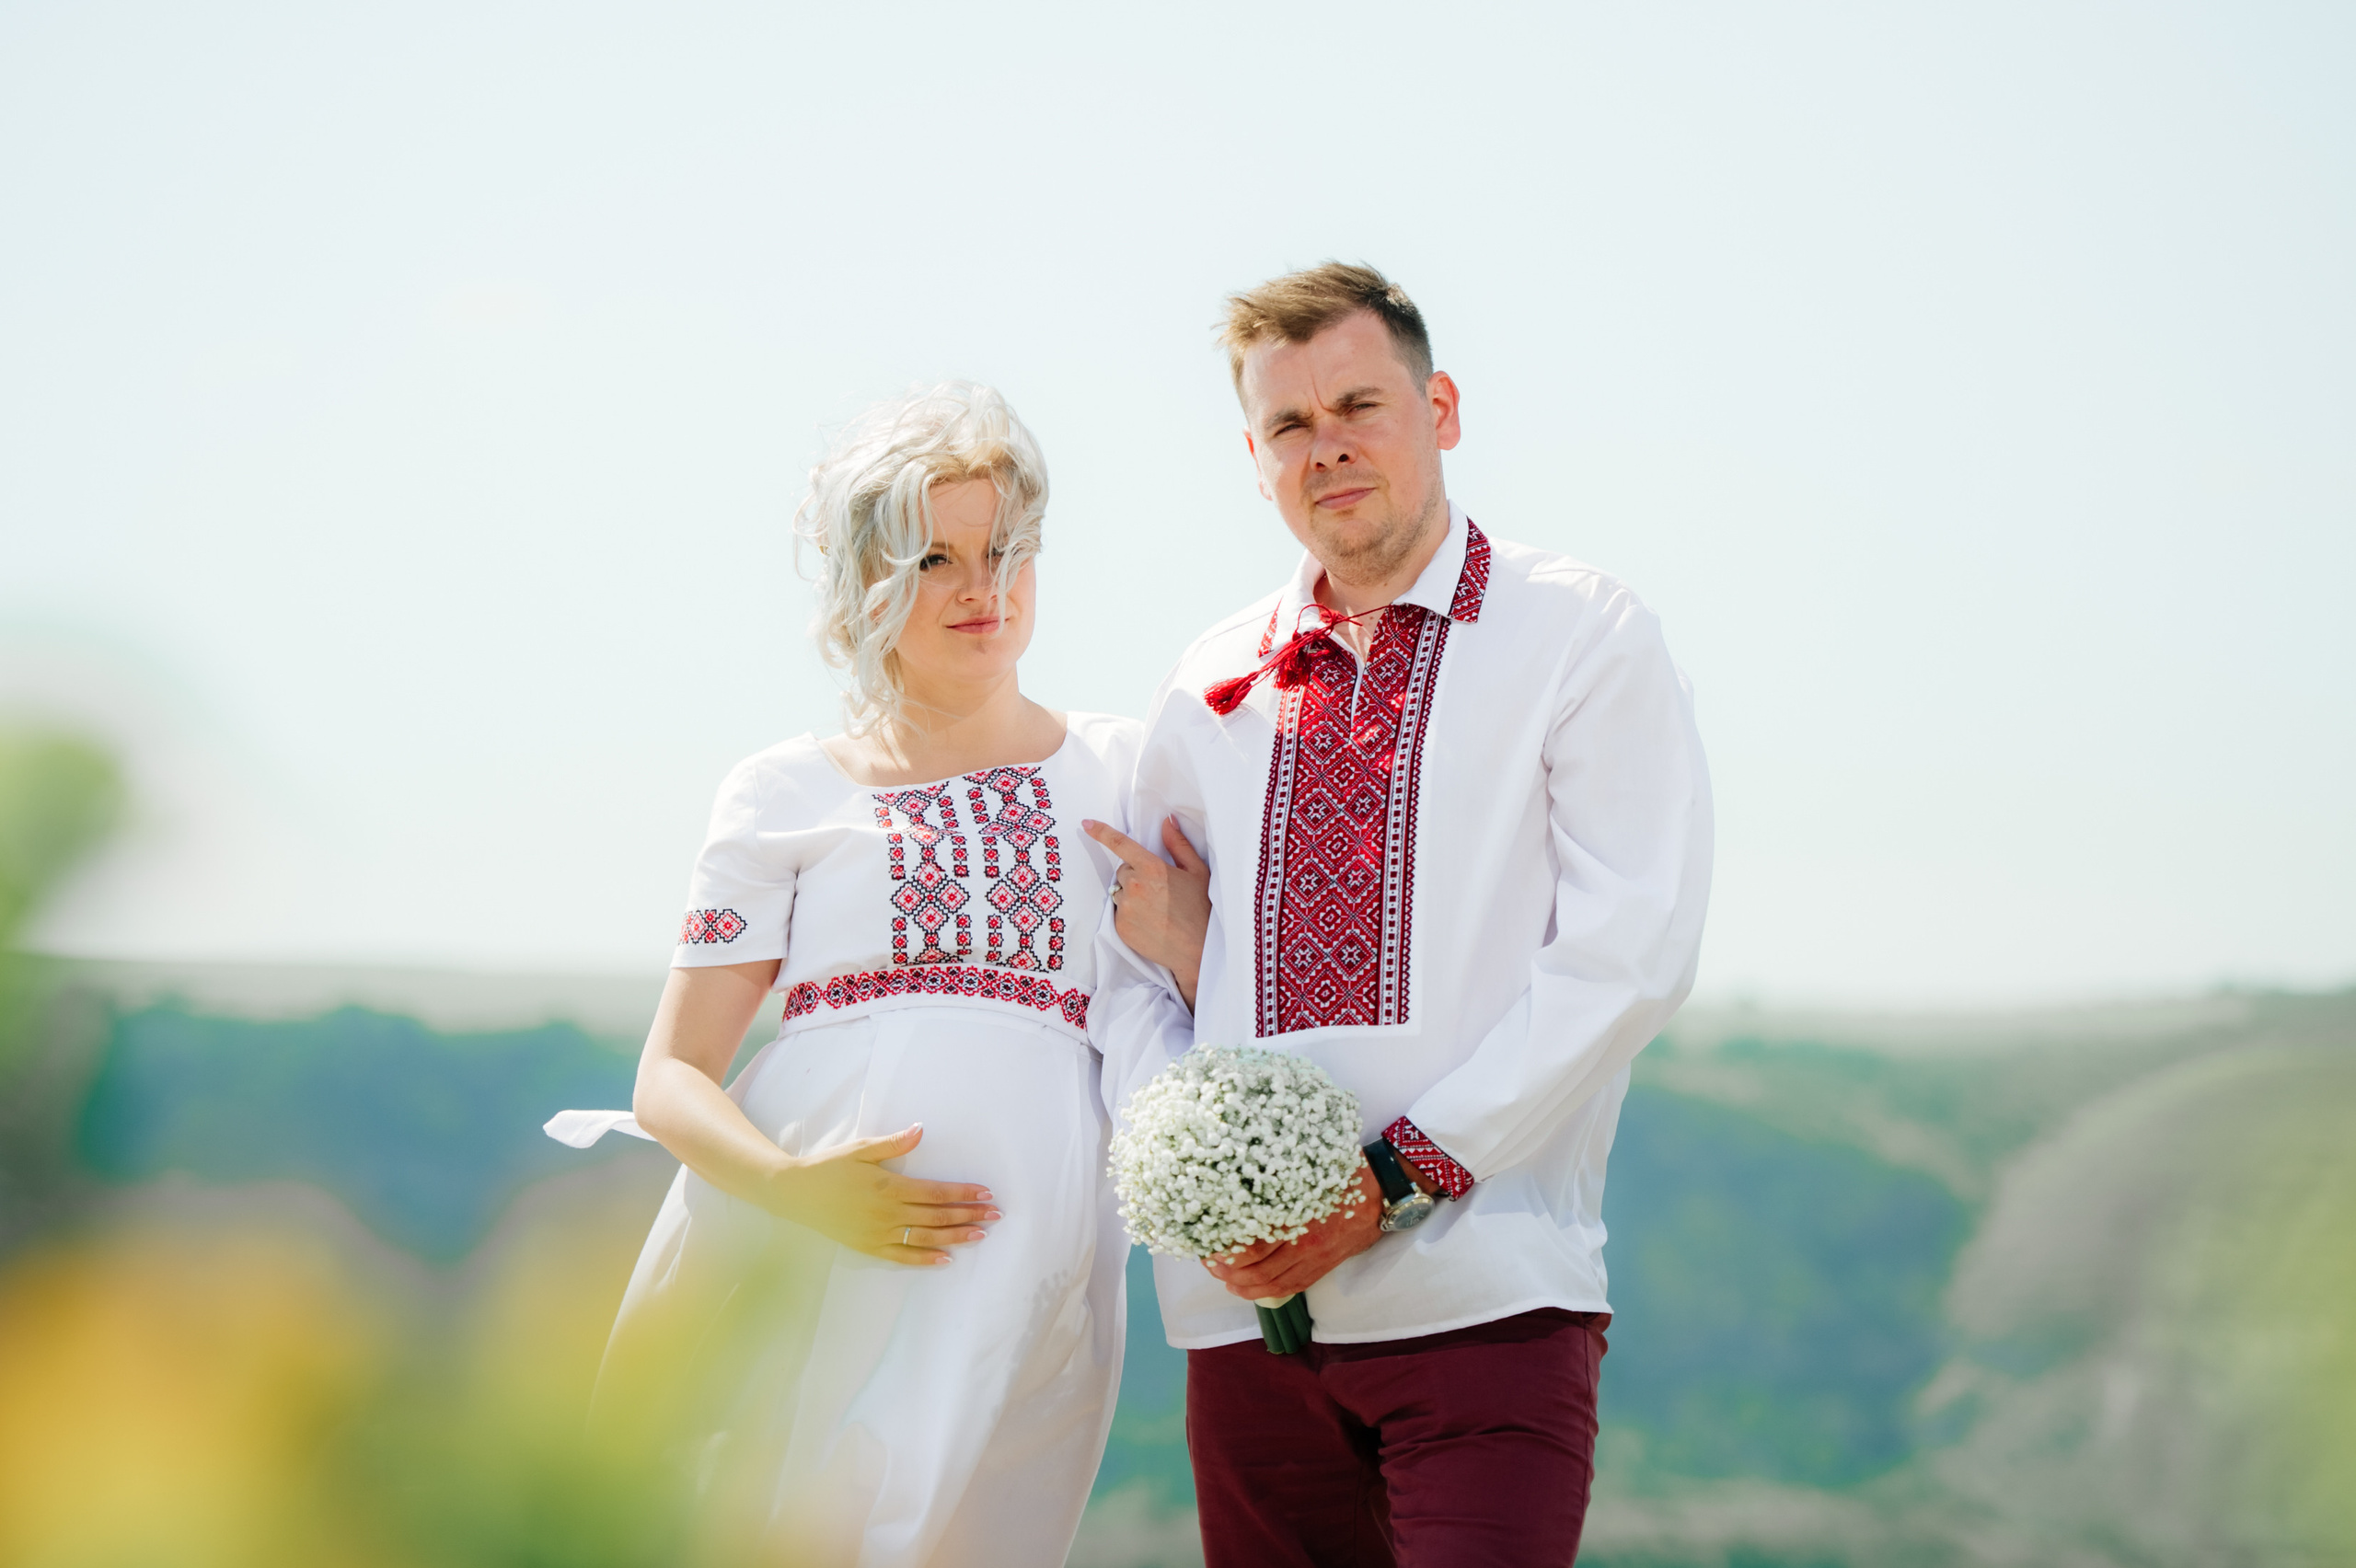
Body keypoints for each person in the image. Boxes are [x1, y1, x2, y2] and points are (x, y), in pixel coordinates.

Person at [1085, 263, 1714, 1567]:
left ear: (1442, 408)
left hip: (1488, 1299)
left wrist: (1394, 1180)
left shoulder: (1576, 634)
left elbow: (1629, 952)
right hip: (1246, 1320)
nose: (1330, 446)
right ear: (1254, 459)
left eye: (1360, 404)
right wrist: (1200, 1192)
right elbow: (1128, 962)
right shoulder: (1209, 682)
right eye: (1290, 426)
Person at [547, 382, 1139, 1568]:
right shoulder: (785, 791)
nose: (983, 588)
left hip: (1027, 1259)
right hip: (802, 1241)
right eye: (935, 559)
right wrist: (791, 1186)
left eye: (1006, 551)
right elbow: (671, 1075)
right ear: (866, 581)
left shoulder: (1126, 769)